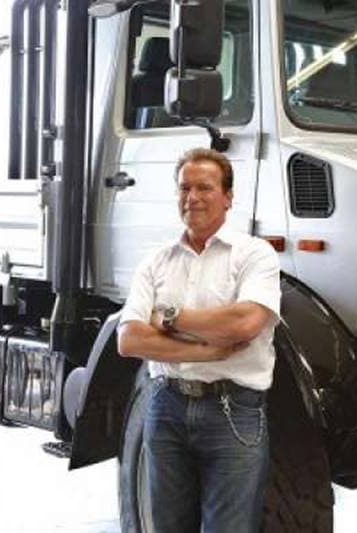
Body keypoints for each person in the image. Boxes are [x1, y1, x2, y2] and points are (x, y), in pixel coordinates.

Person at [117, 147, 281, 533]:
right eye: (184, 188)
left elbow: (244, 323)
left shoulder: (255, 255)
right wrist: (204, 348)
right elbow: (129, 339)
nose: (192, 197)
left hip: (233, 410)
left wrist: (169, 318)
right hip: (165, 406)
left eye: (204, 187)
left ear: (227, 196)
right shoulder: (156, 261)